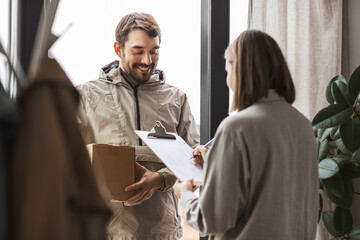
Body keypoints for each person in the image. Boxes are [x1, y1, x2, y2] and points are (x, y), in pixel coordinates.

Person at [173, 30, 319, 239]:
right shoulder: (303, 125)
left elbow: (211, 220)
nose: (227, 80)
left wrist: (185, 194)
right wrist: (215, 162)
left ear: (240, 71)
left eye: (227, 70)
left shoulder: (237, 127)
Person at [76, 12, 200, 239]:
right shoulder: (85, 95)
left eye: (154, 51)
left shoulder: (176, 98)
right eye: (138, 51)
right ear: (118, 49)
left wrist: (160, 179)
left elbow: (193, 160)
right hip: (105, 230)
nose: (147, 61)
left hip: (161, 230)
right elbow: (67, 158)